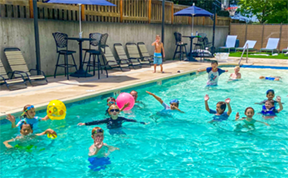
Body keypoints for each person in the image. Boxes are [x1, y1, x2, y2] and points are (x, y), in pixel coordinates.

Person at [78, 105, 147, 133]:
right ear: (109, 112)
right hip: (111, 132)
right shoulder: (107, 120)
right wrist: (85, 123)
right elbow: (96, 122)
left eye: (116, 110)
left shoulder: (121, 118)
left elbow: (132, 120)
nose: (114, 112)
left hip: (120, 130)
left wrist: (143, 122)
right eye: (112, 110)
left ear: (118, 112)